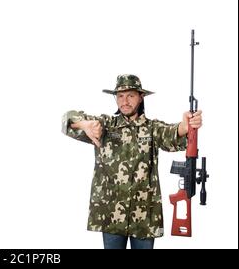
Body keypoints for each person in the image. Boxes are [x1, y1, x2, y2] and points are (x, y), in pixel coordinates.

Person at [62, 74, 202, 249]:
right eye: (120, 96)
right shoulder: (104, 125)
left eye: (130, 95)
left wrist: (186, 125)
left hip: (144, 216)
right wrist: (84, 125)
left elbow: (172, 133)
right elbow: (68, 118)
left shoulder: (152, 128)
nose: (124, 101)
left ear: (141, 97)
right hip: (111, 214)